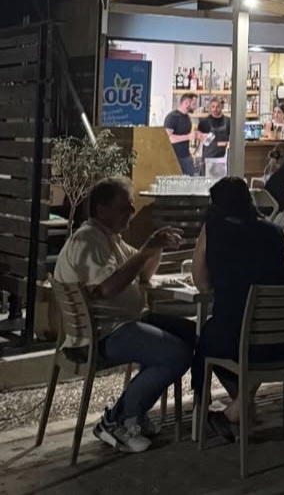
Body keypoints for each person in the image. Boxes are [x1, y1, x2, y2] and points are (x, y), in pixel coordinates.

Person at [53, 178, 194, 453]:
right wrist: (145, 251)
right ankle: (118, 419)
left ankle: (136, 414)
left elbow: (143, 274)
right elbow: (108, 287)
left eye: (131, 205)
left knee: (191, 334)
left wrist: (155, 247)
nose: (131, 211)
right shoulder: (87, 240)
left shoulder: (109, 239)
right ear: (101, 208)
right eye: (124, 207)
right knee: (176, 354)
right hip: (101, 335)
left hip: (123, 324)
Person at [191, 177, 284, 439]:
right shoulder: (274, 232)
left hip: (247, 343)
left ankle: (237, 407)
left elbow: (202, 284)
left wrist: (206, 233)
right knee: (238, 335)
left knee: (207, 340)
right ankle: (241, 405)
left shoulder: (215, 232)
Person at [196, 96, 230, 178]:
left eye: (217, 107)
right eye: (213, 107)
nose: (215, 109)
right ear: (209, 108)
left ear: (221, 107)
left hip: (224, 157)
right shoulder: (203, 123)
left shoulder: (228, 121)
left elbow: (232, 138)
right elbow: (200, 139)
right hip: (209, 157)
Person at [164, 92, 197, 176]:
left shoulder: (187, 117)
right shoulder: (172, 117)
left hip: (186, 156)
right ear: (186, 103)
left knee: (190, 180)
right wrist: (188, 137)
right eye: (194, 104)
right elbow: (167, 138)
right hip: (174, 157)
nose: (195, 107)